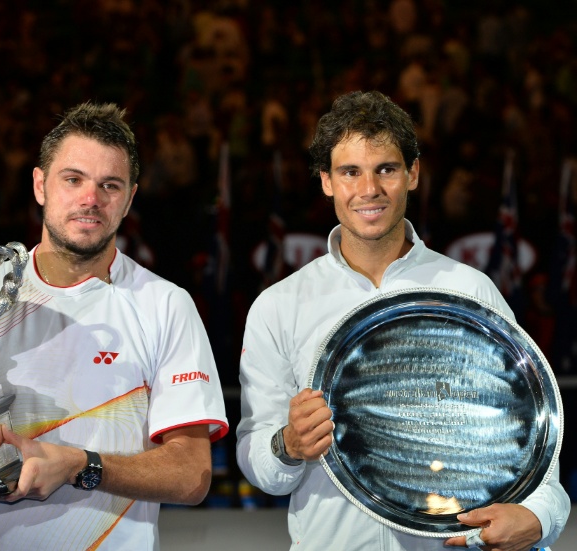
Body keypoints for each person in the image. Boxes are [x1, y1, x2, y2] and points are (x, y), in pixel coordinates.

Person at [0, 102, 229, 550]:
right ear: (40, 185)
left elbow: (192, 476)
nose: (91, 199)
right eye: (74, 180)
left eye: (110, 185)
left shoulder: (165, 305)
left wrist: (78, 465)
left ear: (129, 199)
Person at [235, 90, 570, 551]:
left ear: (413, 173)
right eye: (350, 172)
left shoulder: (470, 292)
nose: (369, 189)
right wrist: (288, 445)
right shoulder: (279, 305)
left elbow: (534, 454)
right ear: (326, 181)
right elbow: (259, 464)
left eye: (386, 169)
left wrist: (538, 517)